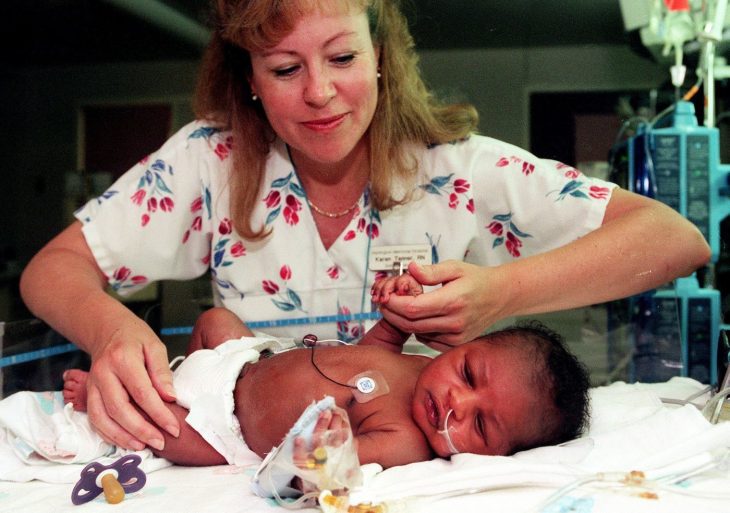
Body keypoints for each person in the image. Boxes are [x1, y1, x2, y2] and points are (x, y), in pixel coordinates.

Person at [19, 0, 710, 457]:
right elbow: (50, 269)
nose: (319, 92)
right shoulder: (214, 160)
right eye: (286, 69)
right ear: (250, 78)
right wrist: (115, 331)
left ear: (383, 55)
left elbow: (675, 237)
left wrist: (501, 291)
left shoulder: (455, 171)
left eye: (343, 59)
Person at [62, 307, 590, 472]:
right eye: (470, 375)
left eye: (480, 425)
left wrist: (328, 448)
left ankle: (102, 401)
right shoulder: (419, 364)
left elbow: (327, 462)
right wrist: (394, 318)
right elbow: (367, 351)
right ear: (463, 345)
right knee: (216, 319)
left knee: (165, 431)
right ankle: (166, 373)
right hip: (247, 357)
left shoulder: (405, 439)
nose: (458, 401)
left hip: (227, 429)